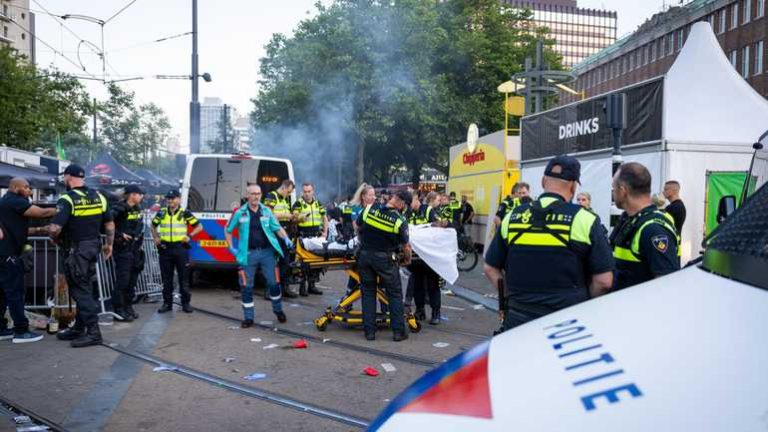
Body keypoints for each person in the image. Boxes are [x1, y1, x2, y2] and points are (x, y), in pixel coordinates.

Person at [484, 155, 614, 332]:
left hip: (518, 317)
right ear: (574, 185)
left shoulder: (512, 217)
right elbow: (604, 281)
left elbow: (490, 268)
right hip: (567, 320)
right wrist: (583, 301)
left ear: (543, 180)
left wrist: (509, 295)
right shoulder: (585, 219)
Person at [50, 164, 115, 348]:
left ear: (68, 177)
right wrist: (109, 245)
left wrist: (52, 238)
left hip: (75, 251)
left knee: (81, 291)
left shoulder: (67, 199)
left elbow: (55, 228)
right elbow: (109, 225)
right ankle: (79, 328)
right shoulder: (99, 196)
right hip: (92, 248)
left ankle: (94, 333)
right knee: (84, 287)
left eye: (65, 177)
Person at [225, 184, 294, 327]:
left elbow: (277, 228)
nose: (256, 196)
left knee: (274, 284)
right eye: (253, 193)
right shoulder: (240, 213)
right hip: (248, 254)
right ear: (247, 196)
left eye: (258, 193)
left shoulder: (266, 211)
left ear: (261, 195)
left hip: (267, 253)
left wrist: (286, 238)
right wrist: (231, 247)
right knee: (246, 286)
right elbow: (228, 229)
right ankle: (248, 318)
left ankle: (278, 310)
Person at [0, 178, 57, 343]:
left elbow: (17, 228)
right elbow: (42, 213)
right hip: (9, 255)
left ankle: (1, 328)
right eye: (26, 187)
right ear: (15, 187)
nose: (29, 190)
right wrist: (62, 208)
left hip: (3, 254)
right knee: (15, 293)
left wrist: (40, 229)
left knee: (2, 293)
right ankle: (21, 331)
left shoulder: (6, 202)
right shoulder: (14, 200)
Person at [610, 163, 680, 290]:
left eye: (613, 188)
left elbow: (667, 285)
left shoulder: (653, 229)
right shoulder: (630, 220)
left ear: (623, 190)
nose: (613, 192)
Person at [357, 189, 412, 342]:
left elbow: (358, 225)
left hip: (365, 256)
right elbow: (406, 246)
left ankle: (369, 332)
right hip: (385, 260)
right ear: (401, 203)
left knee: (368, 293)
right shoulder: (399, 220)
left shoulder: (369, 209)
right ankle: (398, 332)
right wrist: (407, 259)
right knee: (394, 294)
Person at [151, 190, 203, 314]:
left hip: (180, 248)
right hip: (165, 249)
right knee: (166, 279)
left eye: (173, 198)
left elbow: (199, 227)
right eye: (168, 198)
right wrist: (156, 237)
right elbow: (152, 226)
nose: (170, 201)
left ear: (178, 199)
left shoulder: (184, 213)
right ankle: (167, 304)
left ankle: (186, 304)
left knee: (183, 278)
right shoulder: (162, 213)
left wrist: (190, 235)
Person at [110, 185, 145, 322]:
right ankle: (118, 309)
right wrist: (119, 234)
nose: (141, 197)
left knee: (132, 281)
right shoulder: (119, 207)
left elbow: (139, 225)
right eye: (139, 194)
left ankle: (128, 306)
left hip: (135, 249)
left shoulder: (137, 208)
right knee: (123, 281)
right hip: (123, 249)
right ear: (132, 195)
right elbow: (106, 222)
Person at [406, 193, 442, 325]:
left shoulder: (428, 210)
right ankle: (420, 310)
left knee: (433, 284)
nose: (408, 204)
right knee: (418, 285)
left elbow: (439, 225)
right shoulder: (408, 213)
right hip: (416, 257)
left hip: (430, 256)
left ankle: (435, 312)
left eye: (410, 201)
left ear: (416, 199)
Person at [263, 179, 298, 298]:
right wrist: (287, 215)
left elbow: (284, 217)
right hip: (273, 234)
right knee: (272, 262)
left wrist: (294, 218)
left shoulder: (284, 200)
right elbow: (268, 213)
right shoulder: (271, 196)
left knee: (286, 262)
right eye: (288, 192)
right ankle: (269, 290)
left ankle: (284, 287)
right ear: (284, 187)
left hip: (284, 234)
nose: (288, 195)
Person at [291, 183, 327, 295]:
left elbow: (324, 218)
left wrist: (325, 232)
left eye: (309, 191)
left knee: (315, 261)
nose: (307, 194)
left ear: (313, 191)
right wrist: (301, 218)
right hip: (303, 235)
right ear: (302, 192)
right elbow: (294, 219)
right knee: (303, 262)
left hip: (316, 235)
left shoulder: (318, 203)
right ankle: (302, 287)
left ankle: (312, 285)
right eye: (305, 191)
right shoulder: (298, 204)